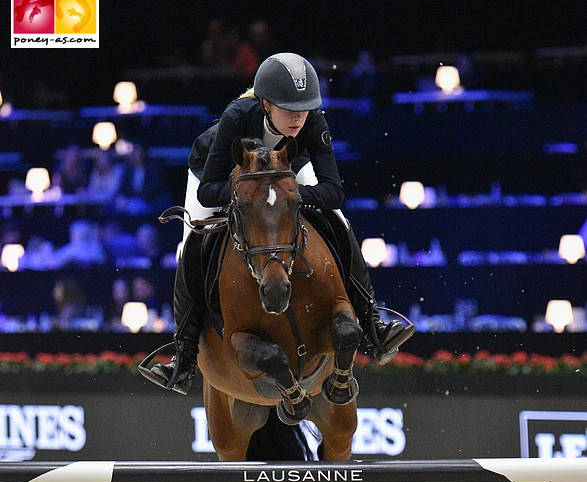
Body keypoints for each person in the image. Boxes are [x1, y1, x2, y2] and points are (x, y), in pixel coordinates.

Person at [148, 52, 414, 393]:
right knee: (192, 247)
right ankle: (183, 359)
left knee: (339, 221)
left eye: (304, 108)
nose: (298, 117)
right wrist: (250, 199)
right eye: (289, 109)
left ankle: (374, 325)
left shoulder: (312, 122)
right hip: (218, 175)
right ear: (265, 104)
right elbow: (208, 191)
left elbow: (333, 193)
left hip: (285, 169)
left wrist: (290, 197)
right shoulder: (237, 118)